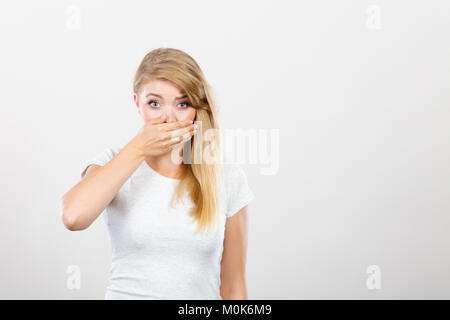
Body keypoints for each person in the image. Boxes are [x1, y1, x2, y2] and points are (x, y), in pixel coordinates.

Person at [60, 48, 255, 300]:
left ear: (196, 108)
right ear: (137, 104)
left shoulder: (227, 177)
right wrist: (139, 147)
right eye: (154, 103)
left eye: (182, 104)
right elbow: (73, 217)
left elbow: (233, 287)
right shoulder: (113, 162)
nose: (168, 118)